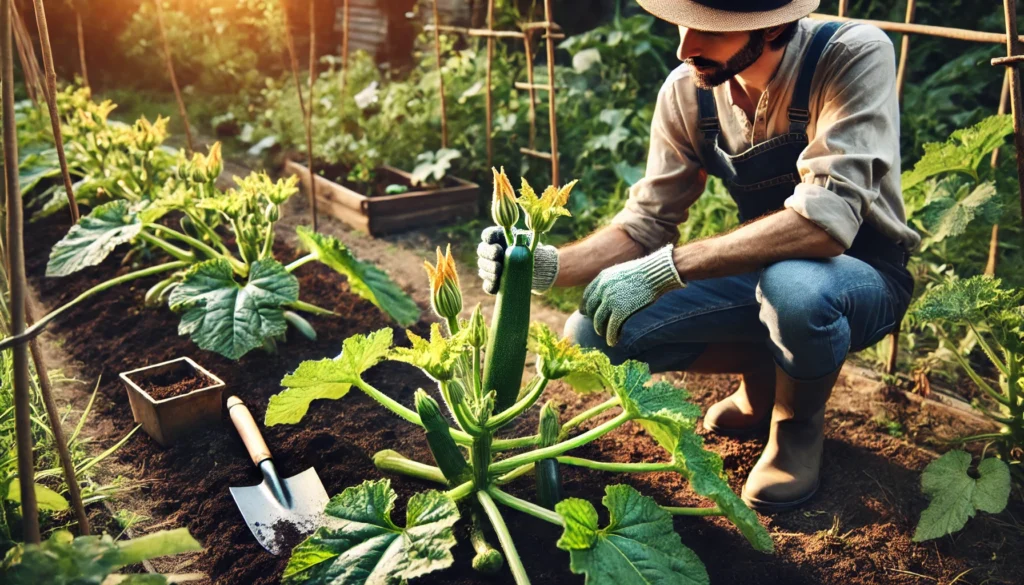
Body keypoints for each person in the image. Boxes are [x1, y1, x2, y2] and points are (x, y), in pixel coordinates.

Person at [477, 0, 919, 512]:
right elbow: (646, 223)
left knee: (795, 288)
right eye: (684, 25)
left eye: (710, 31)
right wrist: (542, 266)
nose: (685, 47)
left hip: (860, 278)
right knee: (591, 335)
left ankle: (796, 426)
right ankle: (763, 373)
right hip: (759, 278)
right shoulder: (688, 90)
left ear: (772, 25)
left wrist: (670, 268)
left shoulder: (849, 55)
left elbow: (828, 220)